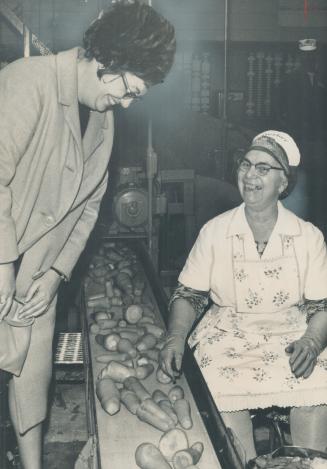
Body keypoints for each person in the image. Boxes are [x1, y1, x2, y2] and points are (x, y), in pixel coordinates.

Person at [0, 2, 176, 468]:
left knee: (31, 389)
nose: (127, 102)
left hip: (37, 282)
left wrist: (56, 273)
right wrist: (3, 267)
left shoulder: (103, 118)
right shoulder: (26, 81)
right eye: (129, 90)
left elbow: (90, 208)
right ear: (109, 59)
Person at [160, 131, 327, 462]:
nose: (250, 175)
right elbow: (189, 294)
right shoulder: (215, 231)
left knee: (319, 384)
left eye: (264, 169)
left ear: (284, 183)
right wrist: (175, 336)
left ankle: (310, 461)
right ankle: (243, 460)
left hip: (291, 333)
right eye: (246, 165)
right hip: (228, 332)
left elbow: (321, 306)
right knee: (215, 384)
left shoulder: (307, 236)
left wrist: (311, 341)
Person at [274, 38, 327, 232]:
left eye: (313, 56)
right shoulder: (291, 80)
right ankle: (300, 223)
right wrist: (291, 128)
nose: (310, 60)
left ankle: (317, 222)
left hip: (320, 140)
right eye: (306, 56)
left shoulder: (322, 79)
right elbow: (278, 109)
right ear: (301, 57)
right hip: (301, 139)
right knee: (301, 181)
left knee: (319, 182)